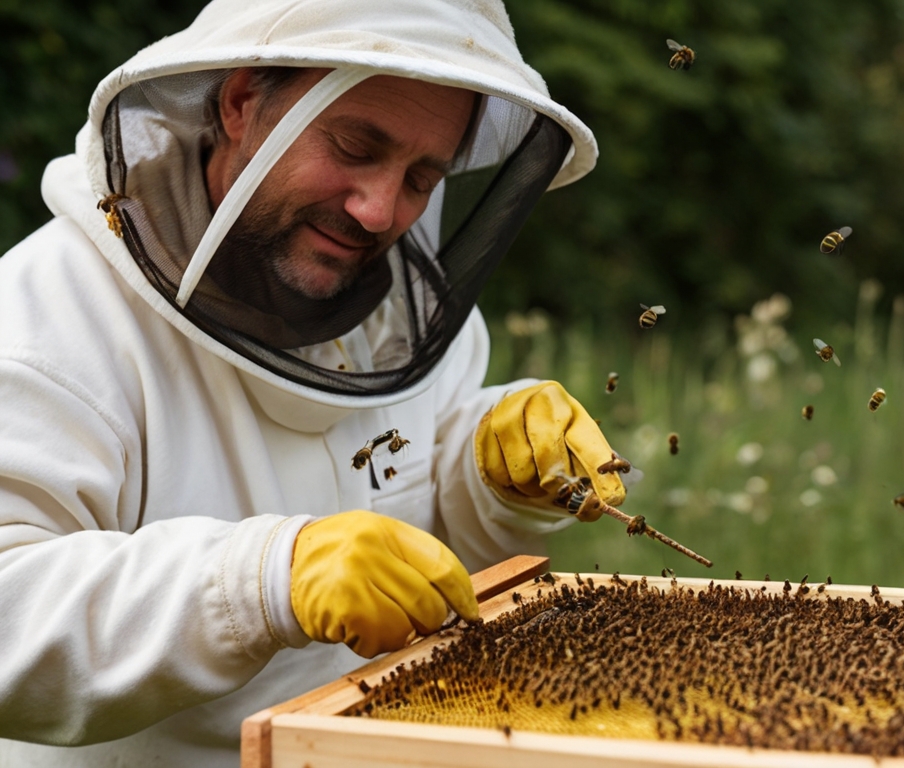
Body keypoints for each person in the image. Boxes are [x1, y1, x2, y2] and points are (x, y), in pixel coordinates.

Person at [0, 0, 624, 764]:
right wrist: (261, 583)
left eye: (421, 179)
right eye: (356, 145)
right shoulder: (44, 320)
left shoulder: (405, 319)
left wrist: (486, 478)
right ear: (240, 103)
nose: (379, 210)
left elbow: (418, 541)